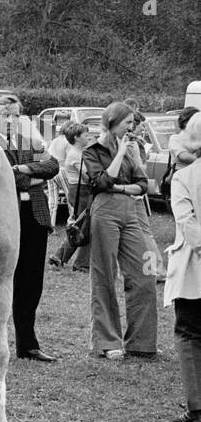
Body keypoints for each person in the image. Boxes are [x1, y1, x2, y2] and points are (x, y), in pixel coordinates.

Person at [83, 102, 157, 359]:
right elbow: (102, 181)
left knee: (144, 274)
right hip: (104, 212)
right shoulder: (93, 151)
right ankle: (107, 342)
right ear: (113, 122)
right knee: (104, 274)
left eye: (132, 122)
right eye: (127, 122)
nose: (132, 127)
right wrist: (119, 154)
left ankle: (141, 342)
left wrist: (121, 187)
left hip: (131, 211)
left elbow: (142, 184)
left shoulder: (130, 150)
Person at [0, 98, 60, 361]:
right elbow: (5, 176)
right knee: (6, 279)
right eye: (5, 115)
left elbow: (54, 166)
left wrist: (24, 169)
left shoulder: (29, 140)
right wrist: (32, 178)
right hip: (7, 218)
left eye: (15, 115)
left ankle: (28, 343)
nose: (10, 120)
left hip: (35, 216)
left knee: (32, 281)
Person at [165, 118, 201, 422]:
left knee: (189, 335)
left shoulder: (184, 177)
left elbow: (187, 224)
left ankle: (197, 408)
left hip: (194, 269)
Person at [50, 121, 94, 270]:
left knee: (82, 225)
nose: (89, 137)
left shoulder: (80, 152)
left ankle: (61, 257)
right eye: (86, 135)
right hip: (80, 191)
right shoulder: (75, 155)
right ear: (76, 137)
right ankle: (75, 261)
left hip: (81, 191)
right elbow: (88, 177)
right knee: (83, 226)